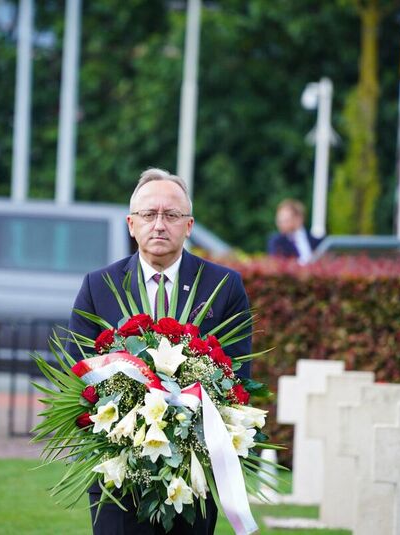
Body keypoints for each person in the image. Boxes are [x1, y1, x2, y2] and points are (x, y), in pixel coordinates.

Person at [67, 168, 252, 535]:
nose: (159, 225)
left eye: (171, 215)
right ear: (131, 224)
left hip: (192, 471)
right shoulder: (98, 286)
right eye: (149, 215)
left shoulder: (223, 286)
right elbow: (77, 372)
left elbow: (238, 375)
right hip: (117, 469)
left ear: (189, 225)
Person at [267, 199, 323, 264]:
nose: (281, 224)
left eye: (286, 220)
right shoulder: (276, 242)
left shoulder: (316, 240)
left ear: (299, 219)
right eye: (279, 221)